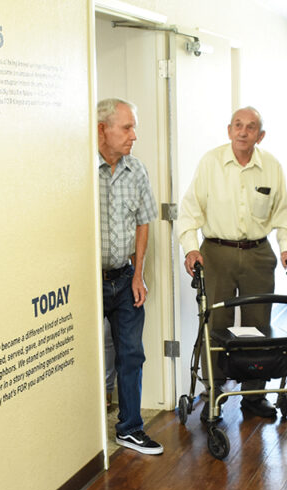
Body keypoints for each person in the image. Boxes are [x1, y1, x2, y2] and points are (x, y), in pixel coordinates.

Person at [178, 106, 287, 419]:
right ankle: (214, 395)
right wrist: (191, 248)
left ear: (261, 135)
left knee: (258, 326)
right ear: (229, 130)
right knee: (215, 324)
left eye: (251, 127)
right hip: (216, 252)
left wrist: (286, 249)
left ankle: (255, 396)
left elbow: (283, 214)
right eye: (238, 125)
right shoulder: (211, 163)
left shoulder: (271, 166)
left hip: (259, 253)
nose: (243, 132)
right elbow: (189, 210)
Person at [96, 98, 162, 455]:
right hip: (88, 282)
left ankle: (130, 428)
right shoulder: (79, 169)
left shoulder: (136, 170)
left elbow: (143, 222)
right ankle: (83, 433)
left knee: (131, 354)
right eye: (127, 127)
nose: (134, 135)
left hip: (124, 278)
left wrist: (139, 274)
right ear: (102, 129)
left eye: (134, 127)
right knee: (86, 358)